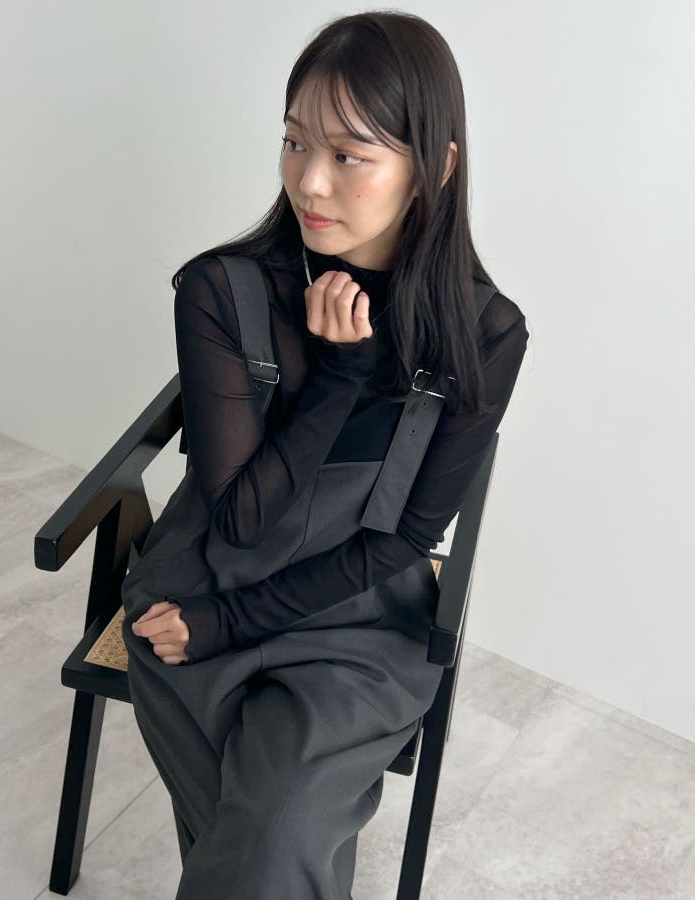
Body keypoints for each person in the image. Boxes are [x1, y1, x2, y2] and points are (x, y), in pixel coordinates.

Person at [120, 10, 530, 899]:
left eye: (349, 155)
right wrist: (335, 378)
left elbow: (401, 541)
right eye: (294, 141)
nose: (309, 180)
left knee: (266, 837)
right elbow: (240, 521)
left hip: (358, 622)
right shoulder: (223, 290)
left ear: (434, 169)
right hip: (202, 591)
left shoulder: (484, 334)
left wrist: (231, 624)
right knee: (269, 843)